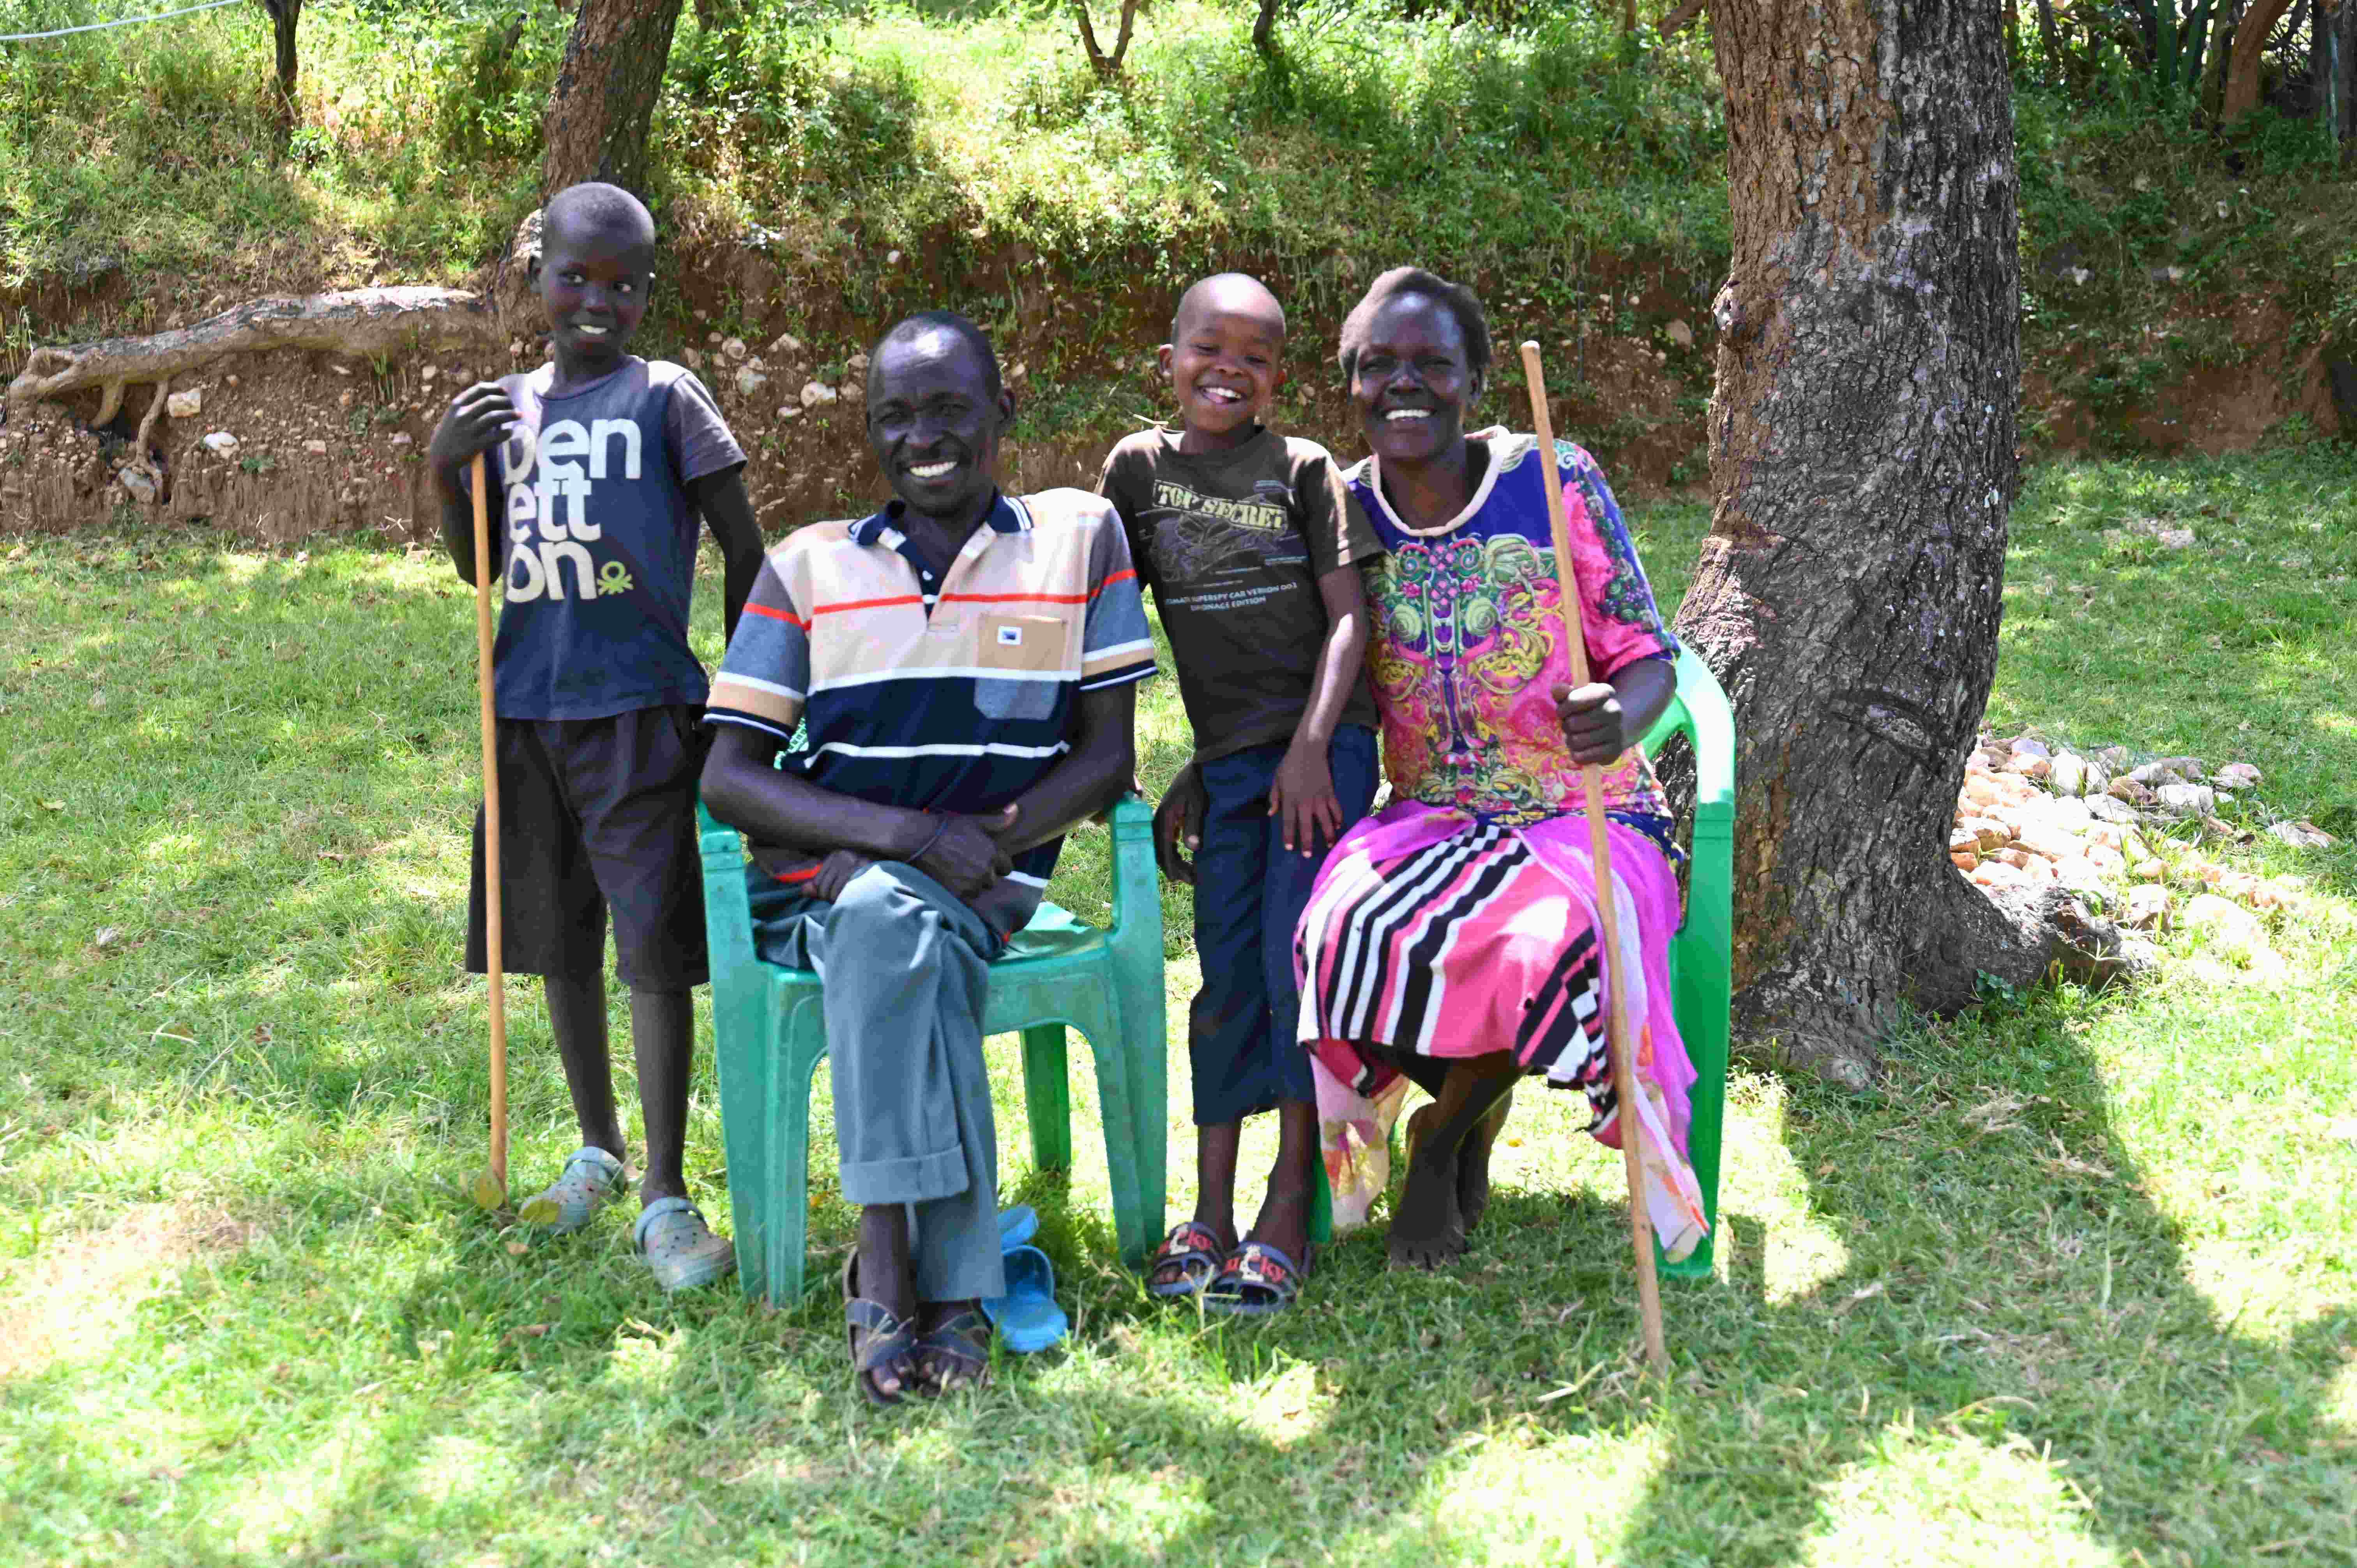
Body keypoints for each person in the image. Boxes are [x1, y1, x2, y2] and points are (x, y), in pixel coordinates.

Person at [699, 311, 1154, 1404]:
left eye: (950, 407)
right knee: (885, 922)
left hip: (993, 881)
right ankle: (944, 1281)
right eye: (895, 416)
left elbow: (1106, 761)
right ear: (870, 434)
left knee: (896, 929)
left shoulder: (1081, 536)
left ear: (1006, 411)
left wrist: (984, 844)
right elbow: (728, 776)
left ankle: (887, 1255)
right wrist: (907, 839)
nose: (924, 435)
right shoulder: (808, 564)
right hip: (831, 881)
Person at [1293, 267, 1710, 1270]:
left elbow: (1647, 654)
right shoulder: (1342, 509)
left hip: (1584, 806)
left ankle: (1441, 1144)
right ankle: (1459, 1116)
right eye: (1379, 366)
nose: (1406, 385)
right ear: (1349, 383)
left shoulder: (1554, 479)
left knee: (1551, 934)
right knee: (1341, 926)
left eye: (1433, 364)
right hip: (1429, 810)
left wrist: (1622, 720)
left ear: (1475, 379)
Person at [426, 181, 762, 1291]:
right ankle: (596, 1151)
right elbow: (479, 567)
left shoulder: (667, 398)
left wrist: (745, 704)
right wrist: (444, 467)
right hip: (525, 712)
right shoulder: (502, 410)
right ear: (538, 278)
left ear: (648, 294)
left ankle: (667, 1193)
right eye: (576, 278)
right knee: (559, 942)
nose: (596, 302)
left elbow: (748, 558)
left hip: (642, 714)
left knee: (651, 949)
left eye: (622, 286)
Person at [1099, 274, 1381, 1316]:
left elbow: (1348, 623)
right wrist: (1150, 762)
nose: (1230, 371)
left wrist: (1309, 749)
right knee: (1222, 976)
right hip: (1229, 765)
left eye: (1256, 359)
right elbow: (1112, 632)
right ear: (1169, 357)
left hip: (1324, 750)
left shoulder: (1304, 469)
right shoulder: (1135, 471)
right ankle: (1209, 1207)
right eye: (1209, 350)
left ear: (1279, 378)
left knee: (1290, 965)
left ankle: (1289, 1196)